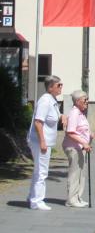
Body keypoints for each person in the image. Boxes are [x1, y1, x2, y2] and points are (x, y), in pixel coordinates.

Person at [27, 75, 63, 210]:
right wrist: (42, 141)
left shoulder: (52, 100)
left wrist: (62, 116)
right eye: (58, 85)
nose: (61, 87)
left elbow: (55, 115)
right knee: (42, 171)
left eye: (61, 85)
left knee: (38, 170)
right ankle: (37, 201)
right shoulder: (45, 101)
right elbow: (38, 122)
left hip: (45, 141)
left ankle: (32, 196)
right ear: (50, 87)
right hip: (40, 141)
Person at [63, 90, 93, 208]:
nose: (87, 102)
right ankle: (71, 200)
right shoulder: (75, 113)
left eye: (87, 99)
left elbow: (82, 129)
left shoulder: (80, 113)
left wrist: (89, 133)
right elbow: (70, 132)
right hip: (73, 147)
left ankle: (78, 197)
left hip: (80, 147)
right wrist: (84, 143)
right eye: (85, 100)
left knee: (81, 173)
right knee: (75, 173)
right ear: (77, 101)